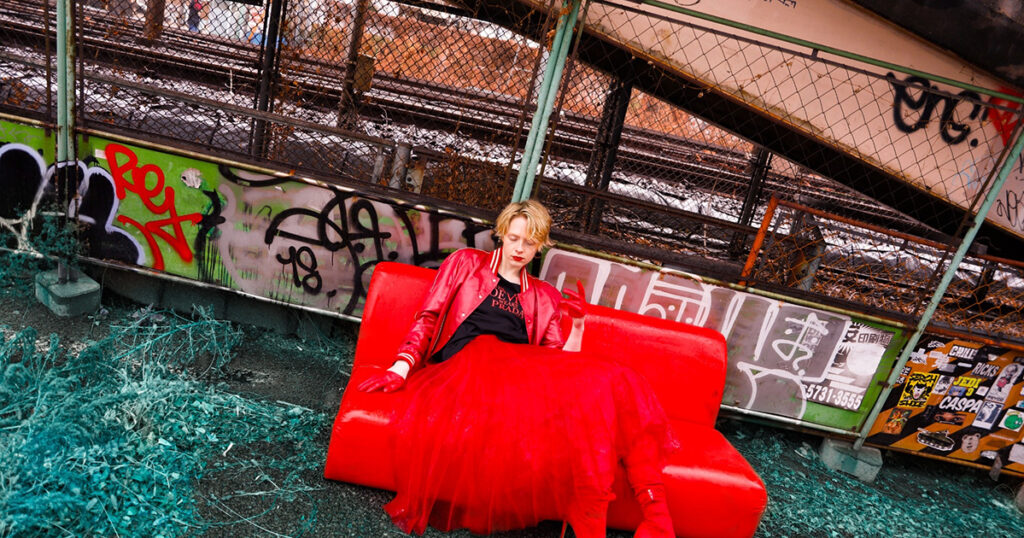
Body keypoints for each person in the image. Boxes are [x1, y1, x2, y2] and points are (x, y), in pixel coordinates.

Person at [359, 200, 678, 538]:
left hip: (518, 380)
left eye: (529, 242)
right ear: (501, 234)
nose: (519, 249)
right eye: (513, 238)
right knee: (600, 396)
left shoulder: (544, 295)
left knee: (616, 382)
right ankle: (593, 511)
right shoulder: (465, 263)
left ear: (540, 246)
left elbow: (561, 368)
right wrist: (401, 366)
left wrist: (578, 327)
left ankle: (654, 516)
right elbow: (429, 316)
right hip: (465, 370)